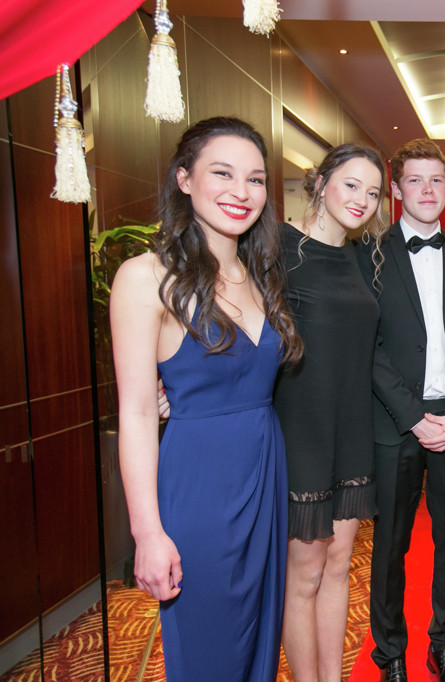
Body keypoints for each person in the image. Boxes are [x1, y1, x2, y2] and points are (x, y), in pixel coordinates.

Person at [111, 116, 302, 682]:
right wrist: (147, 533)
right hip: (200, 487)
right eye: (222, 173)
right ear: (184, 179)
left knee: (259, 647)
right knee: (210, 650)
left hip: (266, 476)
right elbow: (137, 413)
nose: (241, 191)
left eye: (255, 179)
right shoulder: (146, 277)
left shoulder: (262, 274)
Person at [361, 138, 445, 682]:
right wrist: (412, 417)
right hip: (395, 421)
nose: (427, 189)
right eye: (415, 179)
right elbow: (368, 347)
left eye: (436, 179)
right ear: (396, 189)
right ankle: (389, 652)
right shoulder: (368, 252)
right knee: (390, 545)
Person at [276, 144, 387, 682]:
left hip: (353, 427)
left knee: (339, 565)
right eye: (351, 184)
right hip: (302, 427)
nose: (362, 200)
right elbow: (227, 311)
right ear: (320, 183)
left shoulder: (365, 257)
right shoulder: (275, 246)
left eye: (373, 192)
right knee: (304, 574)